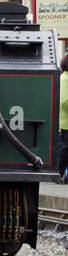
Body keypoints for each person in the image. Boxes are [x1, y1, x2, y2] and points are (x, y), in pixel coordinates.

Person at [60, 49, 68, 181]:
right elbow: (65, 101)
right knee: (66, 150)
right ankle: (60, 173)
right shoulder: (65, 79)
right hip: (66, 121)